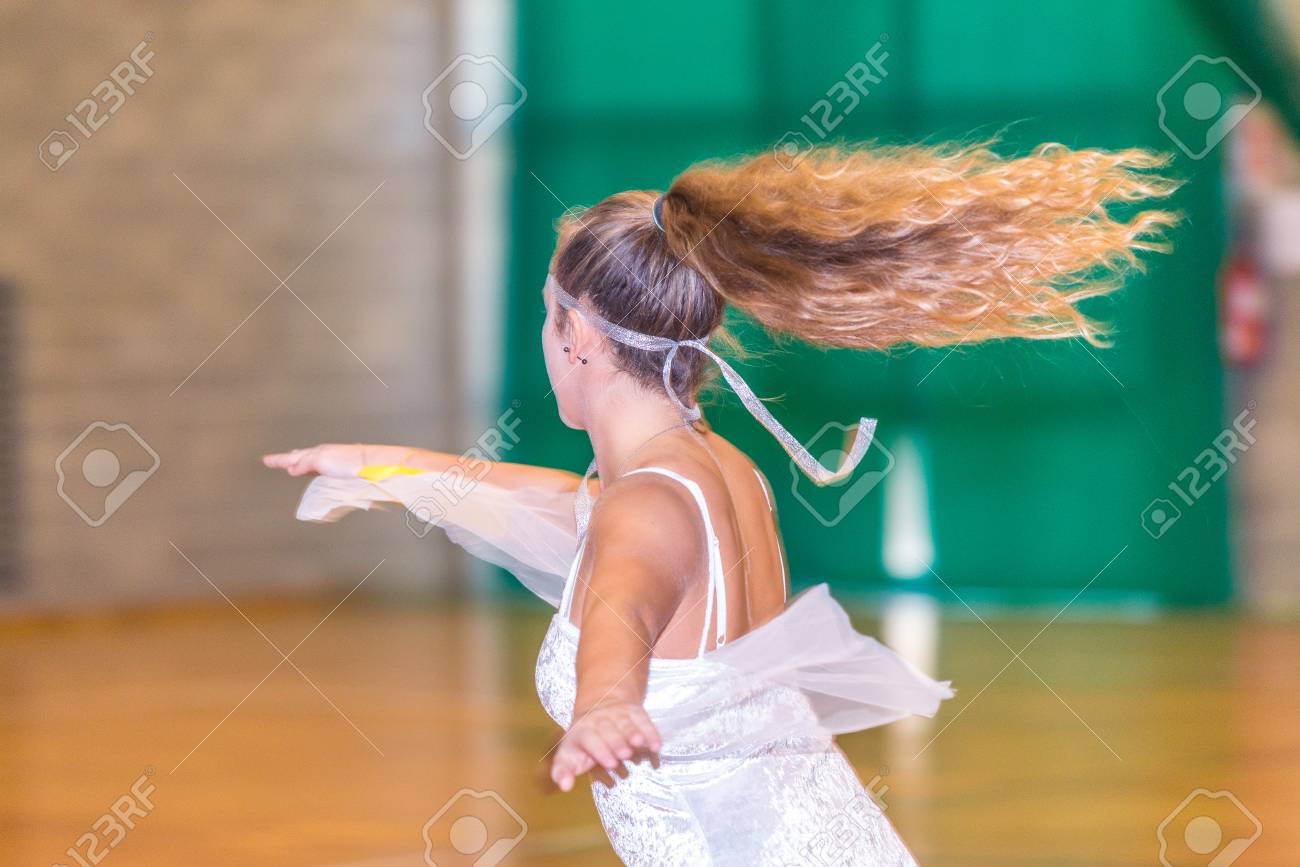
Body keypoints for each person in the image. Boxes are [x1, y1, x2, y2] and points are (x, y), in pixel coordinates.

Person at [264, 140, 1177, 865]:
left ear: (577, 337)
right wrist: (379, 466)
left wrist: (605, 702)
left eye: (548, 315)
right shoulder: (714, 469)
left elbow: (622, 603)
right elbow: (571, 513)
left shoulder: (647, 506)